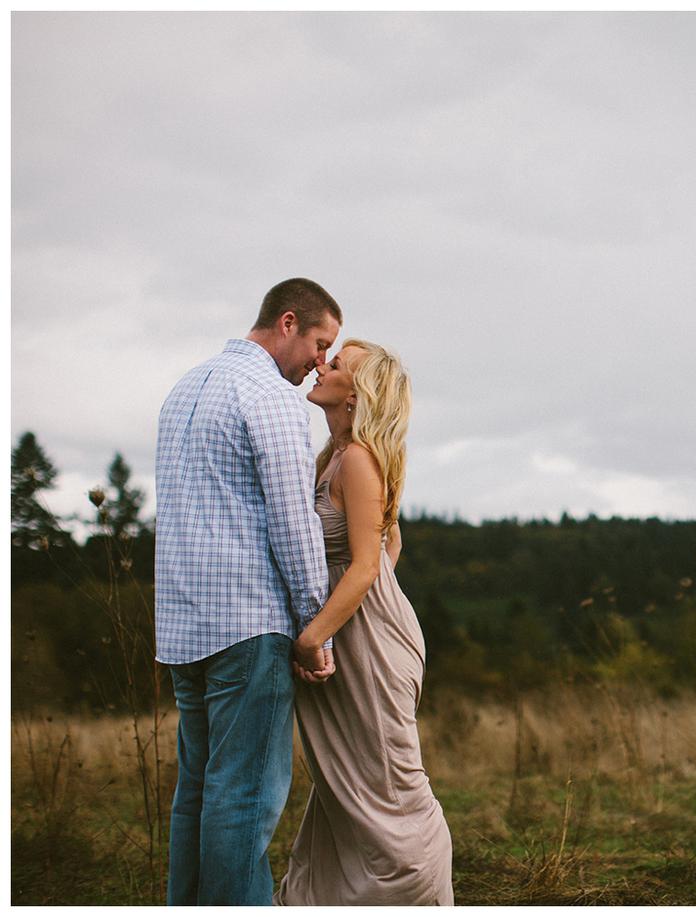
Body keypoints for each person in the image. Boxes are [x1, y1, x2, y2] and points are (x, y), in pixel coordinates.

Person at [154, 278, 342, 905]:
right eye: (320, 343)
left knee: (199, 794)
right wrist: (316, 626)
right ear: (287, 322)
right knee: (244, 797)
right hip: (249, 625)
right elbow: (293, 523)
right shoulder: (271, 398)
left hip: (184, 626)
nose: (321, 361)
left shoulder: (186, 388)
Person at [275, 338, 454, 906]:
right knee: (343, 787)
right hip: (350, 631)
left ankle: (421, 895)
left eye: (338, 363)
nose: (322, 365)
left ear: (357, 392)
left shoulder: (358, 459)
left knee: (390, 785)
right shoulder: (335, 453)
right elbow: (388, 538)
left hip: (366, 644)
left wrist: (314, 634)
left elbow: (368, 562)